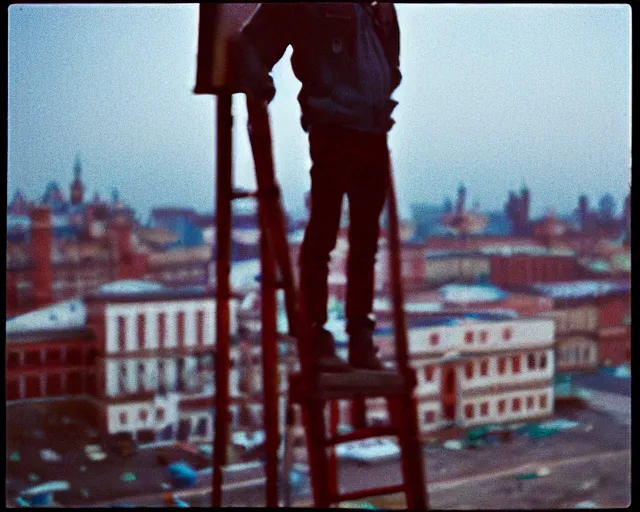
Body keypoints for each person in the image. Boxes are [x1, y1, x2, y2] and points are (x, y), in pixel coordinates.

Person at [231, 2, 402, 373]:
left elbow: (391, 56)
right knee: (324, 234)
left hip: (373, 132)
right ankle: (316, 336)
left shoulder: (376, 5)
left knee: (365, 243)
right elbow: (253, 42)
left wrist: (386, 80)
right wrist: (258, 80)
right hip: (334, 129)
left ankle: (360, 341)